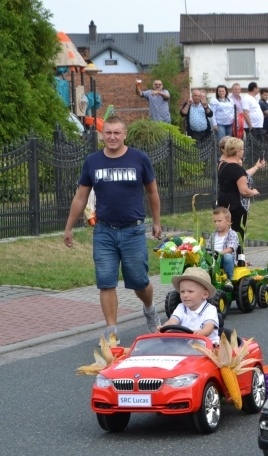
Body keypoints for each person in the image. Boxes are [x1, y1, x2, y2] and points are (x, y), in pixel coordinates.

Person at [64, 116, 163, 342]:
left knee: (139, 280)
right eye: (108, 133)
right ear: (102, 135)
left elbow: (152, 192)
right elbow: (81, 197)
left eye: (117, 133)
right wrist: (69, 227)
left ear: (125, 134)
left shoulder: (139, 158)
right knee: (106, 281)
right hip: (104, 231)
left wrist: (157, 222)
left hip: (134, 231)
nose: (112, 137)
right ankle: (111, 330)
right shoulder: (93, 161)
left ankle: (149, 308)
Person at [161, 267, 220, 345]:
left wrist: (200, 333)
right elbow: (172, 321)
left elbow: (209, 327)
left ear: (205, 294)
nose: (185, 295)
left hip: (208, 346)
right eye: (182, 291)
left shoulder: (210, 309)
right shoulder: (181, 307)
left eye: (190, 291)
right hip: (187, 346)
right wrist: (164, 327)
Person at [217, 137, 262, 239]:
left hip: (224, 201)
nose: (243, 151)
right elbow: (244, 191)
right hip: (236, 205)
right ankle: (237, 254)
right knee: (237, 232)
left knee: (226, 231)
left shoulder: (222, 163)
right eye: (242, 149)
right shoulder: (236, 168)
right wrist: (254, 192)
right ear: (237, 151)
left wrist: (256, 167)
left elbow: (239, 177)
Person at [209, 206, 240, 290]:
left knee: (228, 256)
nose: (217, 223)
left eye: (219, 221)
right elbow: (208, 248)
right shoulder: (213, 236)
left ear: (228, 221)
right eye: (215, 221)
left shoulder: (232, 234)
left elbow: (230, 248)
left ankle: (229, 279)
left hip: (224, 260)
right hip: (213, 259)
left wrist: (219, 254)